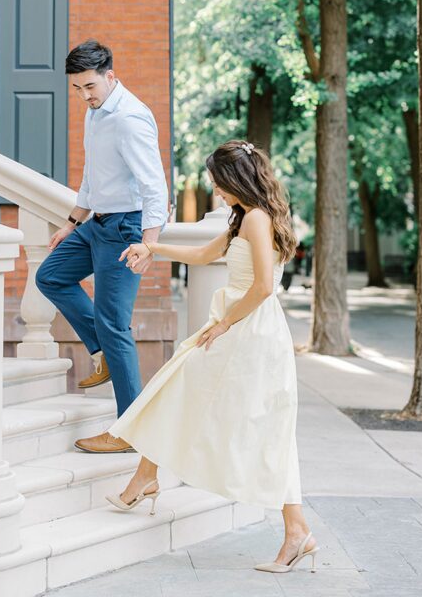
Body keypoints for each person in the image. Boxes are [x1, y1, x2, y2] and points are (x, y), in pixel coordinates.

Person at [105, 140, 320, 574]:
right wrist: (153, 248)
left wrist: (224, 325)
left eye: (218, 182)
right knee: (179, 390)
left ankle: (296, 529)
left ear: (235, 179)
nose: (215, 190)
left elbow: (263, 287)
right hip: (242, 327)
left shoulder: (256, 219)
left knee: (262, 427)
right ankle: (146, 476)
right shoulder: (247, 216)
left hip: (249, 332)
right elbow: (205, 254)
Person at [35, 40, 169, 453]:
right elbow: (93, 176)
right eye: (77, 88)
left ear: (110, 76)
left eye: (90, 86)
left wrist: (149, 244)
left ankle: (129, 430)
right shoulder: (96, 112)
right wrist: (72, 222)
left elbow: (154, 185)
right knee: (50, 276)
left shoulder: (130, 118)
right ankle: (103, 350)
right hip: (97, 223)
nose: (84, 96)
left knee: (115, 324)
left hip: (127, 228)